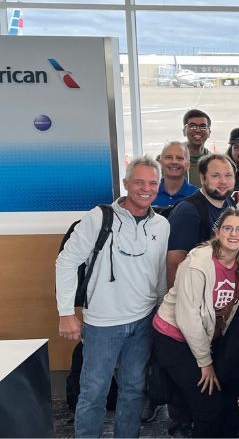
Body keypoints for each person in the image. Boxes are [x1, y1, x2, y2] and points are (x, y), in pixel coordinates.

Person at [56, 156, 169, 438]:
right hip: (102, 324)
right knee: (94, 391)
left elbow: (159, 273)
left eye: (152, 183)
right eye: (139, 182)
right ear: (126, 183)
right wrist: (66, 313)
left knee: (133, 389)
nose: (146, 188)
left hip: (143, 321)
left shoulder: (161, 225)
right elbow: (66, 261)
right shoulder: (99, 217)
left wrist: (161, 310)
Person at [152, 209, 239, 437]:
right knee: (208, 400)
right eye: (227, 228)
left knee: (225, 390)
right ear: (217, 232)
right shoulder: (198, 262)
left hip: (206, 336)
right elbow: (188, 317)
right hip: (174, 336)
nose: (234, 234)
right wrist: (205, 363)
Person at [166, 154, 237, 289]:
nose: (223, 181)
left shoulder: (228, 202)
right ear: (202, 178)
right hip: (195, 293)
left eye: (228, 175)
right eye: (216, 176)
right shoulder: (188, 212)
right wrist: (178, 305)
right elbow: (174, 264)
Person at [154, 141, 199, 208]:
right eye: (169, 157)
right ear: (160, 163)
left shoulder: (197, 196)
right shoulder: (149, 192)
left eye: (179, 158)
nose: (174, 162)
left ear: (188, 165)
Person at [182, 109, 212, 184]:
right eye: (192, 126)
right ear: (184, 131)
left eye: (203, 126)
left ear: (209, 132)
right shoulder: (169, 159)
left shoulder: (213, 162)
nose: (198, 130)